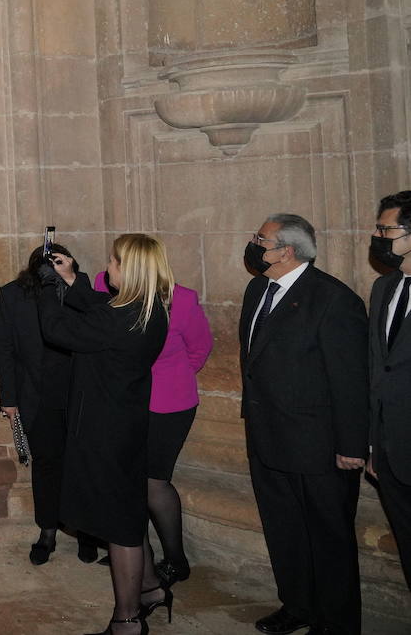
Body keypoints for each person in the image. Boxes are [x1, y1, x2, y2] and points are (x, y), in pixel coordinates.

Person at [38, 235, 172, 635]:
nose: (107, 267)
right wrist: (73, 277)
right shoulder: (146, 309)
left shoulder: (120, 318)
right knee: (128, 511)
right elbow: (99, 306)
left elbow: (57, 329)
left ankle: (127, 620)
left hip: (105, 429)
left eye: (112, 261)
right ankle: (149, 590)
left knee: (121, 526)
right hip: (125, 423)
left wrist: (48, 284)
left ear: (127, 269)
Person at [240, 214, 367, 635]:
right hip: (267, 434)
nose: (254, 244)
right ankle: (299, 605)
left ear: (287, 251)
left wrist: (352, 445)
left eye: (261, 239)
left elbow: (349, 380)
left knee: (327, 538)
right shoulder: (258, 288)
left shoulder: (333, 299)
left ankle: (335, 622)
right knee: (285, 528)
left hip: (317, 443)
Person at [92, 266, 212, 587]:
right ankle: (135, 551)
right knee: (126, 481)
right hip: (122, 402)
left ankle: (176, 560)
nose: (110, 266)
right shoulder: (104, 286)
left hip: (167, 404)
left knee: (152, 482)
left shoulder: (181, 299)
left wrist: (172, 378)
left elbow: (200, 347)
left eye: (117, 259)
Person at [0, 243, 79, 565]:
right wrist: (9, 399)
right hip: (36, 394)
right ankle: (47, 531)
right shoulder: (13, 294)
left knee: (79, 463)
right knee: (46, 464)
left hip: (77, 393)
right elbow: (4, 348)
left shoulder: (78, 291)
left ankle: (83, 529)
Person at [369, 190, 411, 594]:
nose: (378, 236)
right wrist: (372, 445)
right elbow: (376, 368)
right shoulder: (385, 287)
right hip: (391, 450)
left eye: (387, 229)